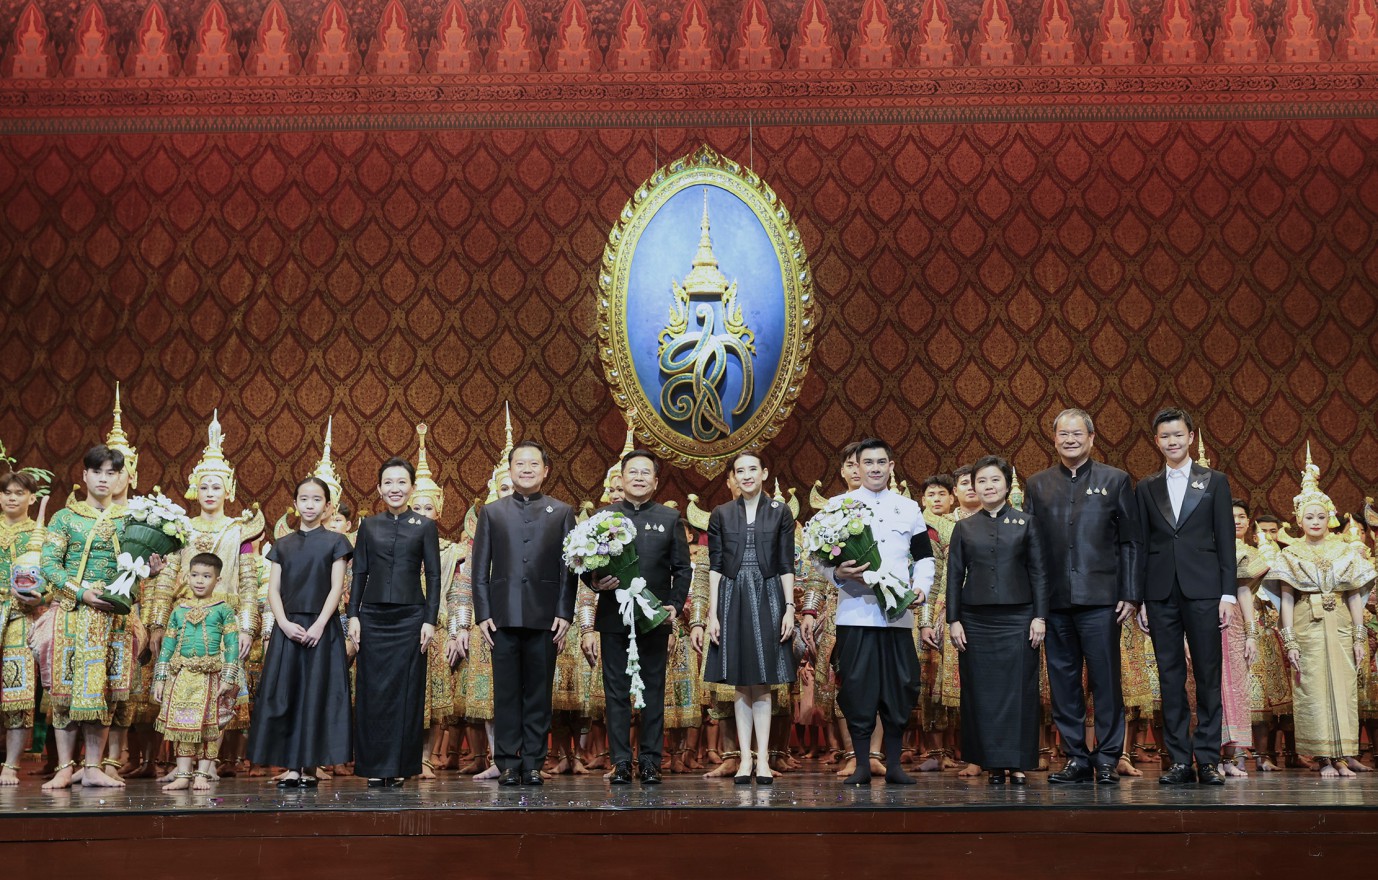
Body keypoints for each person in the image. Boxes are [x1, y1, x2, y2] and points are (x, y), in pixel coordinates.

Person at [1024, 408, 1142, 785]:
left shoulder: (1116, 479)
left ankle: (1107, 757)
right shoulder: (1038, 484)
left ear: (1092, 438)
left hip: (1102, 600)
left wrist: (1131, 593)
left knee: (1106, 682)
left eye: (1077, 434)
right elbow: (1030, 548)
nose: (1070, 440)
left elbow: (1131, 542)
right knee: (1063, 683)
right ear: (1054, 439)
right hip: (1055, 601)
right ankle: (1076, 756)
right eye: (1063, 434)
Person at [40, 445, 162, 791]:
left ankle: (94, 766)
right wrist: (81, 593)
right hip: (72, 612)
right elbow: (49, 564)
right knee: (65, 691)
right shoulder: (65, 518)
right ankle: (65, 767)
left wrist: (150, 571)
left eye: (111, 472)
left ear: (122, 477)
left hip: (115, 617)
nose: (104, 479)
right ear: (84, 475)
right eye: (97, 472)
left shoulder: (131, 520)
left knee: (108, 691)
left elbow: (136, 570)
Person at [149, 412, 264, 778]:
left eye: (217, 486)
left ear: (228, 490)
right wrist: (157, 623)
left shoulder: (239, 531)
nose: (210, 493)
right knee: (181, 691)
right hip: (183, 621)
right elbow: (166, 580)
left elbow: (248, 583)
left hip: (223, 620)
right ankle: (181, 764)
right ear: (193, 489)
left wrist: (246, 627)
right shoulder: (179, 529)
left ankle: (209, 763)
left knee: (220, 693)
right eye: (204, 486)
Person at [820, 438, 934, 785]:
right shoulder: (838, 507)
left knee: (900, 687)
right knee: (857, 689)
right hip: (855, 614)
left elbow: (924, 557)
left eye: (880, 462)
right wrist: (837, 573)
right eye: (867, 462)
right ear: (856, 467)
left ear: (891, 466)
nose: (874, 468)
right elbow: (819, 558)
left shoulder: (908, 508)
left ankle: (894, 764)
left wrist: (921, 587)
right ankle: (861, 764)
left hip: (898, 617)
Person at [1135, 408, 1237, 786]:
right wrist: (1141, 599)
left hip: (1205, 591)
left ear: (1191, 437)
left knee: (1208, 675)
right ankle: (1179, 759)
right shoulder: (1146, 487)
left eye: (1178, 435)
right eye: (1165, 436)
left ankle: (1208, 759)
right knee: (1170, 676)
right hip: (1160, 592)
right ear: (1156, 441)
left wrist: (1228, 594)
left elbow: (1226, 541)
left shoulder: (1214, 481)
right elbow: (1141, 545)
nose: (1172, 441)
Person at [581, 449, 691, 784]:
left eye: (646, 473)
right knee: (616, 692)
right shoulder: (604, 517)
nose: (639, 477)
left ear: (656, 481)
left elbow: (682, 568)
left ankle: (650, 762)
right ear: (622, 478)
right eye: (633, 471)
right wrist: (594, 581)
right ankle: (620, 762)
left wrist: (674, 605)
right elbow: (583, 564)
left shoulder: (669, 518)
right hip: (614, 616)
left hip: (654, 617)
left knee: (654, 690)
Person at [471, 440, 576, 786]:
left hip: (546, 617)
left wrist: (565, 612)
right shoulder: (492, 512)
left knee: (538, 694)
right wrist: (483, 613)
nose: (527, 469)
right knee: (506, 693)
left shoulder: (562, 512)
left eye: (533, 464)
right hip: (501, 617)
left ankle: (532, 761)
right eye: (520, 464)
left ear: (545, 471)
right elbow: (479, 568)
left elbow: (569, 569)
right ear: (510, 469)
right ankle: (507, 762)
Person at [1267, 449, 1376, 778]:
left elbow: (1354, 594)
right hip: (1307, 621)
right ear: (1299, 520)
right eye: (1309, 517)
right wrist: (1290, 641)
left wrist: (1358, 635)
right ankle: (1324, 757)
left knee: (1343, 686)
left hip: (1340, 620)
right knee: (1312, 687)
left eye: (1320, 516)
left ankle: (1344, 753)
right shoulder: (1291, 554)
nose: (1315, 522)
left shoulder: (1345, 551)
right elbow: (1286, 599)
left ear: (1329, 517)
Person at [944, 456, 1049, 785]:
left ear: (1007, 485)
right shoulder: (964, 527)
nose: (988, 486)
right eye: (982, 481)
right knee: (981, 692)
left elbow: (1039, 574)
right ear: (974, 487)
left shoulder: (1026, 523)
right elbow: (954, 576)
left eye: (995, 480)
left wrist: (1040, 616)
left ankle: (1017, 763)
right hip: (975, 620)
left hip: (1019, 618)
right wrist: (953, 620)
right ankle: (991, 764)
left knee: (1020, 690)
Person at [247, 476, 353, 786]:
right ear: (295, 504)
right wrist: (282, 623)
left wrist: (320, 624)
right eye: (304, 499)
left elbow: (336, 588)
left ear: (328, 506)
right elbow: (273, 590)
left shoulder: (337, 542)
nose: (310, 505)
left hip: (323, 629)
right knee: (288, 695)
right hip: (288, 628)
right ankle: (292, 767)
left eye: (317, 500)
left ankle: (310, 767)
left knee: (317, 695)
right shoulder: (283, 545)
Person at [697, 452, 795, 784]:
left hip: (769, 594)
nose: (747, 475)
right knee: (741, 681)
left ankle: (763, 759)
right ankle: (744, 759)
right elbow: (715, 566)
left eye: (753, 469)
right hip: (732, 595)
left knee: (762, 680)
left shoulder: (780, 511)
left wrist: (790, 607)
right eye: (740, 470)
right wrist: (712, 613)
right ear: (734, 477)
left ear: (765, 473)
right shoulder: (721, 513)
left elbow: (786, 564)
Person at [347, 457, 442, 786]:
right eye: (388, 482)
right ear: (379, 488)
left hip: (411, 618)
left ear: (412, 488)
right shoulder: (369, 526)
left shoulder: (425, 526)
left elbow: (433, 575)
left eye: (401, 482)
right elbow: (359, 572)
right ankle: (374, 767)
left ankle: (400, 766)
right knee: (372, 692)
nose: (395, 488)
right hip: (372, 617)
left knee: (406, 692)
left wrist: (429, 619)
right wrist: (353, 614)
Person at [153, 553, 241, 792]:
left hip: (210, 677)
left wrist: (228, 677)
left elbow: (232, 644)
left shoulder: (223, 609)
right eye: (195, 575)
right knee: (181, 727)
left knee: (209, 728)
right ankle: (183, 775)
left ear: (218, 580)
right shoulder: (178, 610)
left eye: (206, 576)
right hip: (181, 676)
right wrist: (160, 679)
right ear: (186, 577)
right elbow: (167, 646)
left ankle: (202, 774)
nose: (199, 581)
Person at [408, 424, 465, 779]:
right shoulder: (395, 546)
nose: (422, 512)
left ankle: (427, 756)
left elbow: (458, 595)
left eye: (428, 507)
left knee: (434, 699)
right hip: (402, 630)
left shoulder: (451, 552)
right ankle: (404, 755)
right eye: (416, 506)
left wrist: (457, 633)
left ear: (439, 511)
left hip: (438, 630)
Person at [0, 472, 46, 786]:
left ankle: (11, 764)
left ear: (32, 497)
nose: (12, 498)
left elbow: (53, 577)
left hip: (22, 615)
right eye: (7, 492)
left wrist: (41, 598)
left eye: (19, 493)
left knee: (18, 688)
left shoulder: (41, 534)